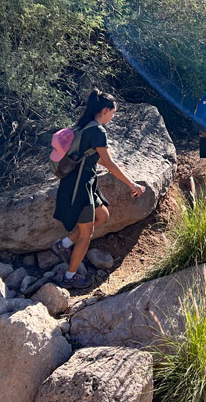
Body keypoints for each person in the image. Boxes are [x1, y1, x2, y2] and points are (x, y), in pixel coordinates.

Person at [50, 90, 145, 289]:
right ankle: (69, 277)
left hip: (83, 182)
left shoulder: (84, 126)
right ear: (105, 110)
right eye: (113, 112)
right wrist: (132, 184)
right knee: (86, 234)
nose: (113, 116)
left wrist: (116, 167)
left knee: (102, 215)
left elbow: (95, 157)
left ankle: (64, 245)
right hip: (79, 186)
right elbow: (109, 164)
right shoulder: (97, 131)